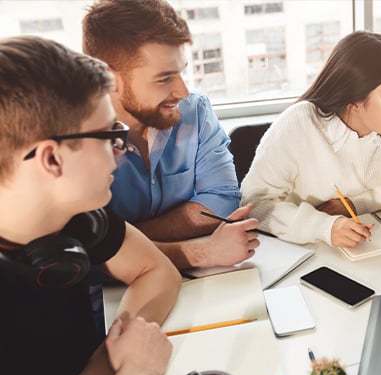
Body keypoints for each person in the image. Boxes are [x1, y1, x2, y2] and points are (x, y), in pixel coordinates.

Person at [0, 36, 181, 375]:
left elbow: (158, 272)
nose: (121, 149)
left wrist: (106, 360)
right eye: (109, 135)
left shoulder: (79, 217)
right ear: (52, 159)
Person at [82, 0, 259, 269]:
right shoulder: (71, 140)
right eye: (164, 78)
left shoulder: (194, 111)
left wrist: (119, 240)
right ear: (110, 79)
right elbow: (87, 256)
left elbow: (223, 201)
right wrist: (200, 251)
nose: (183, 92)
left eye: (181, 72)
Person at [241, 31, 381, 248]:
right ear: (354, 98)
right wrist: (323, 226)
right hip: (312, 256)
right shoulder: (300, 122)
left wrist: (359, 204)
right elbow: (255, 205)